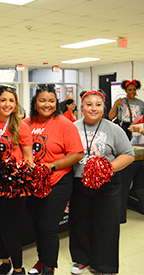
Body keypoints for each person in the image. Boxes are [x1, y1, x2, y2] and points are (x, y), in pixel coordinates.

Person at [69, 91, 134, 275]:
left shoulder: (113, 129)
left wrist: (106, 169)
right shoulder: (72, 127)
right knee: (80, 223)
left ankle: (105, 266)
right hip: (79, 184)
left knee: (106, 226)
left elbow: (128, 154)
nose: (93, 108)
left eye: (98, 104)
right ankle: (82, 259)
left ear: (103, 108)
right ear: (81, 107)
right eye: (88, 104)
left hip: (107, 186)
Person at [23, 84, 83, 275]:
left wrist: (51, 166)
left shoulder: (64, 123)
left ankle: (49, 267)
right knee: (37, 224)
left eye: (51, 101)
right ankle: (42, 260)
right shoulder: (26, 123)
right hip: (32, 183)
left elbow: (77, 153)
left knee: (48, 226)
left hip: (57, 181)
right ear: (35, 102)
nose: (46, 104)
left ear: (56, 102)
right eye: (42, 100)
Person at [0, 86, 34, 275]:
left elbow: (28, 158)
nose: (7, 104)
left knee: (9, 229)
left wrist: (20, 177)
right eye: (3, 100)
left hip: (15, 186)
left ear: (16, 105)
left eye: (11, 101)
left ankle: (18, 268)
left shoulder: (21, 126)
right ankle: (5, 262)